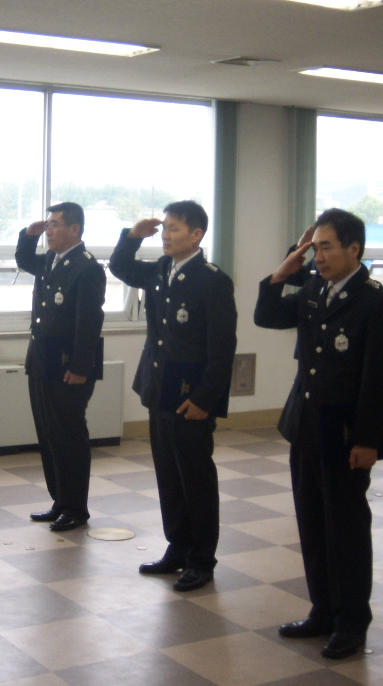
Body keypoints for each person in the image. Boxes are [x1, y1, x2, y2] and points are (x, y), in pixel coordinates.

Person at [255, 209, 383, 659]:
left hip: (346, 430)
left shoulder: (375, 301)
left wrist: (367, 439)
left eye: (327, 247)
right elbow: (267, 316)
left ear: (354, 248)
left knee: (346, 529)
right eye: (315, 248)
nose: (318, 257)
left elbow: (377, 376)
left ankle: (352, 621)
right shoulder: (314, 288)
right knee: (313, 523)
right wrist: (281, 274)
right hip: (307, 423)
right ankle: (322, 610)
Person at [109, 201, 237, 592]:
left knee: (195, 478)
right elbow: (120, 267)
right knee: (168, 474)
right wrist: (133, 236)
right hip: (159, 386)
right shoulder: (161, 270)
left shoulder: (212, 280)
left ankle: (201, 559)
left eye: (174, 228)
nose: (165, 235)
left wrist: (205, 399)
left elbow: (222, 348)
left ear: (197, 235)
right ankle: (178, 547)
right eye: (164, 228)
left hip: (190, 394)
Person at [15, 202, 105, 532]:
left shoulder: (87, 267)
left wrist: (81, 367)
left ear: (74, 229)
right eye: (48, 224)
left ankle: (76, 508)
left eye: (55, 225)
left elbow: (89, 322)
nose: (49, 230)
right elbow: (24, 260)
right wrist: (28, 236)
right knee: (48, 434)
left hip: (70, 363)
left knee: (69, 436)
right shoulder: (50, 260)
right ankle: (60, 500)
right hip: (42, 357)